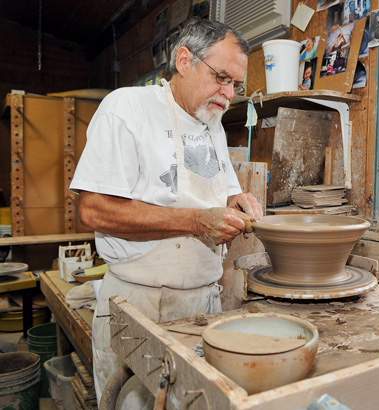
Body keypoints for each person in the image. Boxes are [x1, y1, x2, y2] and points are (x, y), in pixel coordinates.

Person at [70, 18, 262, 405]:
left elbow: (215, 195)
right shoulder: (126, 108)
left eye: (235, 86)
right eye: (221, 78)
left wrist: (235, 201)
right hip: (140, 305)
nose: (227, 95)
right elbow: (91, 210)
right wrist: (194, 222)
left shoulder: (213, 124)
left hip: (203, 302)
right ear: (185, 60)